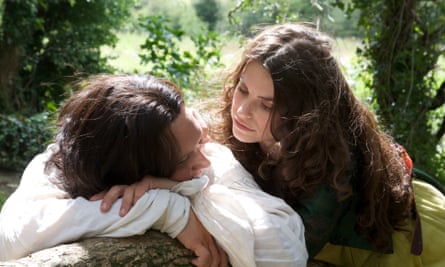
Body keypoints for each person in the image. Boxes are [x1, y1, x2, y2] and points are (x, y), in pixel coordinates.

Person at [0, 74, 308, 267]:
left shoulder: (211, 155)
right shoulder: (58, 166)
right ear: (130, 176)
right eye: (187, 158)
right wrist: (170, 210)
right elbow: (12, 237)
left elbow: (285, 253)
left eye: (198, 131)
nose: (206, 160)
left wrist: (171, 188)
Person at [212, 22, 445, 266]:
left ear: (304, 113)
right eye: (242, 88)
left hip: (411, 246)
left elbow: (286, 252)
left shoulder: (334, 164)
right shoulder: (245, 130)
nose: (241, 110)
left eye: (266, 105)